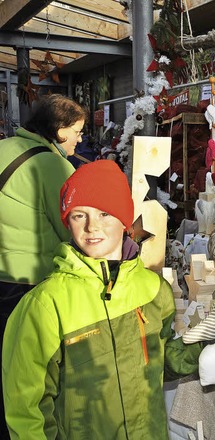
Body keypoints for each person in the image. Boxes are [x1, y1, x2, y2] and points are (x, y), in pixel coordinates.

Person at [2, 160, 202, 438]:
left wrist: (202, 344)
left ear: (124, 220)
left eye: (104, 213)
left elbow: (162, 360)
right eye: (78, 215)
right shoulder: (47, 304)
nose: (91, 227)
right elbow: (27, 406)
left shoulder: (154, 289)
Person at [0, 93, 86, 437]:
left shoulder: (5, 147)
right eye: (77, 131)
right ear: (60, 129)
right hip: (30, 283)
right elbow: (74, 229)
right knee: (30, 373)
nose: (79, 139)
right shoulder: (55, 166)